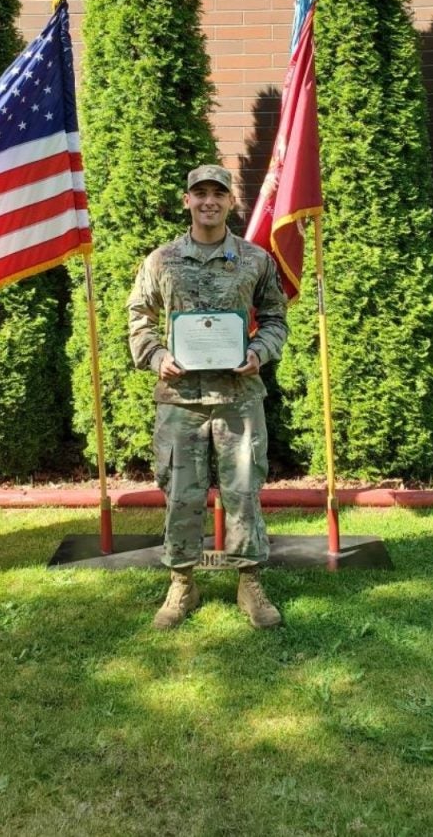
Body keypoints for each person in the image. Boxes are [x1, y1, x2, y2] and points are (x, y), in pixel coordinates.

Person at [126, 164, 290, 631]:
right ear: (187, 201)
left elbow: (276, 316)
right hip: (180, 399)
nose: (209, 202)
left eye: (218, 194)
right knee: (180, 493)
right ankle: (182, 582)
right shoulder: (161, 261)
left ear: (231, 202)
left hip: (239, 396)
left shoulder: (255, 260)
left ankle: (250, 582)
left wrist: (259, 352)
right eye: (200, 193)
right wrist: (156, 356)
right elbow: (139, 316)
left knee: (243, 492)